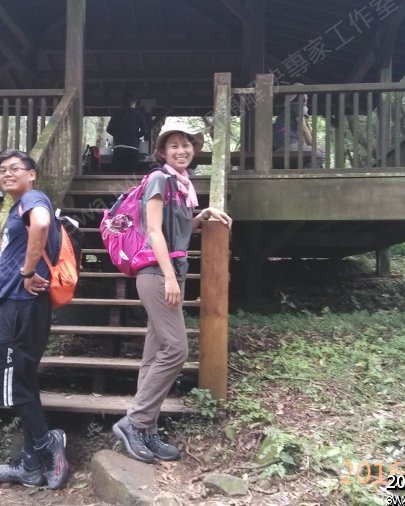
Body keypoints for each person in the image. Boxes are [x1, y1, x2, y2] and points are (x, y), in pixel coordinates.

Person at [112, 127, 232, 463]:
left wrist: (202, 216)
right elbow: (153, 231)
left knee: (155, 354)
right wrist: (169, 277)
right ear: (162, 152)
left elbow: (176, 231)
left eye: (187, 145)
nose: (182, 150)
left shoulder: (181, 187)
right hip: (156, 274)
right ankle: (135, 422)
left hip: (170, 272)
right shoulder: (159, 180)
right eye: (174, 146)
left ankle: (146, 428)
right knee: (177, 349)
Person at [0, 149, 69, 489]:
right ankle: (31, 465)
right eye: (2, 169)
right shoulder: (16, 210)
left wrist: (28, 272)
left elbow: (43, 225)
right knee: (23, 381)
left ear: (31, 174)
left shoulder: (34, 198)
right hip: (13, 302)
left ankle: (48, 446)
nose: (7, 173)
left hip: (22, 302)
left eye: (15, 168)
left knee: (13, 381)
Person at [271, 93, 325, 168]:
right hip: (289, 146)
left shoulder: (285, 113)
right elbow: (303, 128)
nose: (307, 96)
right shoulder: (296, 105)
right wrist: (314, 145)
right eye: (305, 95)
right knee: (320, 154)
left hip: (278, 149)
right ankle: (305, 173)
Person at [106, 94, 148, 173]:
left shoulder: (116, 113)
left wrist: (118, 135)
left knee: (116, 174)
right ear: (135, 102)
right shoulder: (139, 114)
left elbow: (109, 129)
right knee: (130, 175)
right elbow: (144, 131)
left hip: (118, 147)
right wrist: (135, 136)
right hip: (132, 148)